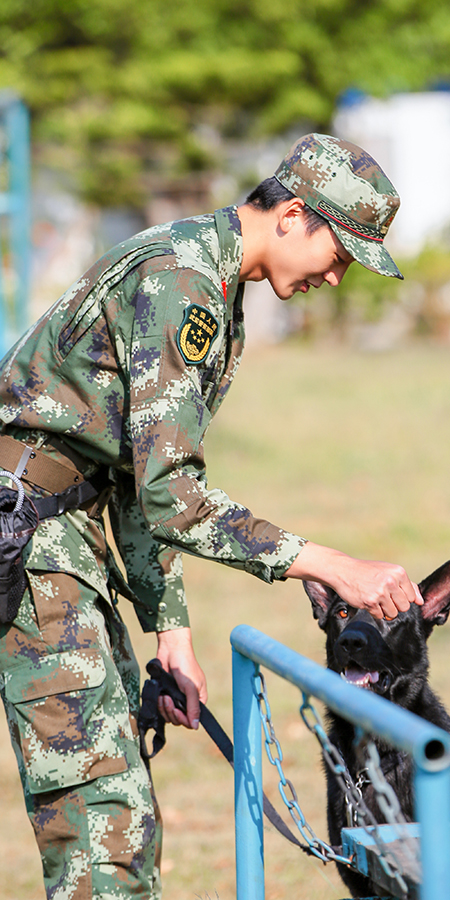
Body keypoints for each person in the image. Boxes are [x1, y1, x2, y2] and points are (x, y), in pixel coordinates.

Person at [0, 132, 423, 899]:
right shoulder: (182, 281)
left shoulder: (211, 285)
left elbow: (136, 482)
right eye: (340, 254)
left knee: (120, 817)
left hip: (65, 533)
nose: (336, 277)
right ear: (294, 214)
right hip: (33, 536)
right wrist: (330, 564)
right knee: (102, 826)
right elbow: (173, 494)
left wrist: (173, 635)